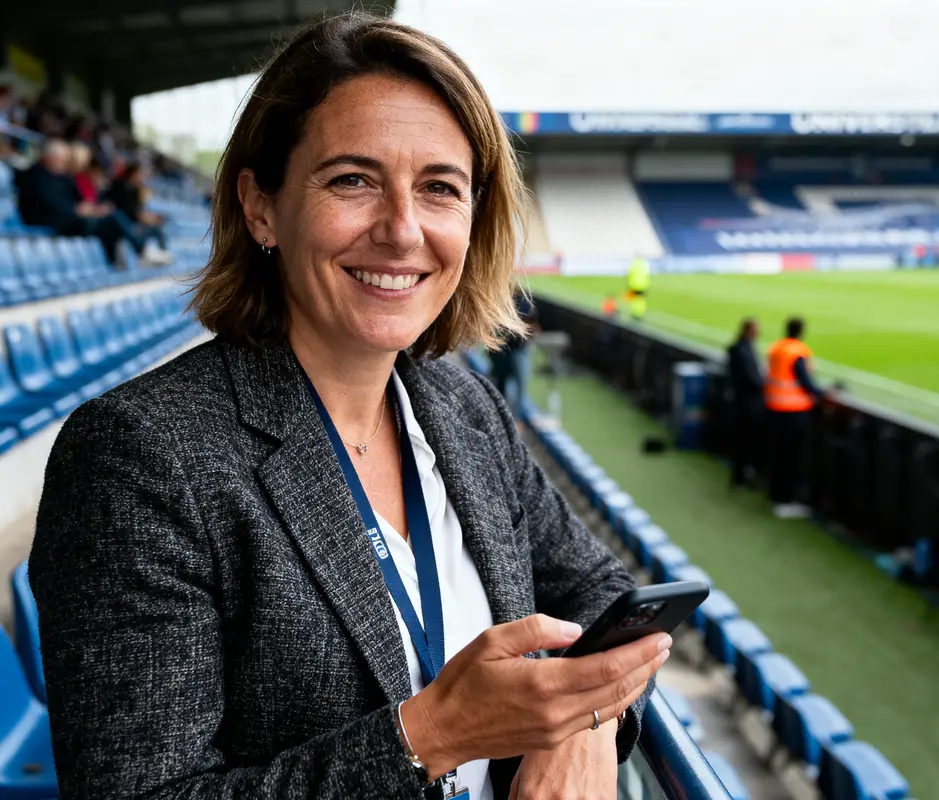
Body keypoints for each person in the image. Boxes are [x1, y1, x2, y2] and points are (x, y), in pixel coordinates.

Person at [30, 14, 666, 800]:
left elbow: (603, 594)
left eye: (439, 188)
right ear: (261, 205)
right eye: (352, 180)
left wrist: (587, 727)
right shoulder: (139, 455)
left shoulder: (458, 402)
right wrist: (431, 736)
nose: (403, 231)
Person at [17, 139, 172, 266]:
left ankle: (116, 263)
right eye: (62, 160)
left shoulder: (60, 176)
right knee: (111, 220)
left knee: (111, 220)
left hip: (69, 218)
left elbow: (77, 201)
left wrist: (90, 209)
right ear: (50, 158)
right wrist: (78, 209)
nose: (65, 164)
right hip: (51, 221)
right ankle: (142, 252)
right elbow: (52, 205)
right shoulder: (35, 176)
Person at [764, 317, 824, 518]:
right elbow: (805, 381)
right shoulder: (797, 352)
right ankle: (786, 500)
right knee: (791, 457)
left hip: (774, 408)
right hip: (793, 412)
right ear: (801, 331)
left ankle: (776, 496)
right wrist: (821, 393)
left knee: (778, 454)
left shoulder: (776, 348)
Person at [726, 317, 764, 487]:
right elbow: (751, 379)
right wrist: (763, 385)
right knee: (746, 440)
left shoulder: (739, 348)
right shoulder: (743, 351)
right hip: (747, 403)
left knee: (743, 440)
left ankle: (741, 473)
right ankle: (742, 475)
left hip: (742, 401)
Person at [488, 290, 539, 417]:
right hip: (503, 350)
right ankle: (500, 415)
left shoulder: (526, 303)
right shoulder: (499, 300)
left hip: (519, 350)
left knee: (520, 384)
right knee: (501, 382)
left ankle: (516, 419)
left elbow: (534, 326)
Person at [105, 162, 170, 252]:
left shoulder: (136, 190)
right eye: (141, 174)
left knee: (157, 229)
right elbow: (131, 212)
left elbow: (139, 211)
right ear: (134, 173)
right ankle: (143, 251)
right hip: (122, 224)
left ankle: (163, 254)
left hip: (133, 224)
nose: (143, 178)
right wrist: (145, 218)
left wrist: (150, 217)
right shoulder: (120, 186)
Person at [626, 255, 650, 320]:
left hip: (634, 285)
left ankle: (635, 313)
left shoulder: (634, 264)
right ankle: (640, 313)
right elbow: (647, 275)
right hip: (643, 285)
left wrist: (629, 283)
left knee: (634, 299)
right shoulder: (644, 264)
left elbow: (630, 273)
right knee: (641, 300)